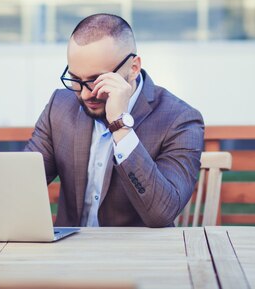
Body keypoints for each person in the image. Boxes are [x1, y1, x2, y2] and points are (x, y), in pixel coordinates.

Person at [25, 13, 204, 227]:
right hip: (68, 255)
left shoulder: (179, 119)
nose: (84, 95)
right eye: (75, 79)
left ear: (133, 68)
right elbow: (23, 185)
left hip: (136, 256)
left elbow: (161, 213)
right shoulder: (60, 107)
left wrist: (120, 125)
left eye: (96, 81)